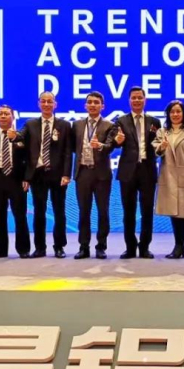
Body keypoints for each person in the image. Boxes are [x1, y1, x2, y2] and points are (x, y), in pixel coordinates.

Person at [12, 91, 73, 259]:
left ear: (55, 104)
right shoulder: (30, 124)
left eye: (49, 101)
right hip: (37, 174)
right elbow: (20, 138)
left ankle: (59, 247)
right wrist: (13, 136)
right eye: (43, 101)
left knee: (59, 212)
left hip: (58, 174)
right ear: (39, 104)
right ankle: (40, 247)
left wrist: (66, 174)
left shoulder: (64, 125)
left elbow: (68, 152)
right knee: (39, 212)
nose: (46, 104)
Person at [113, 87, 162, 259]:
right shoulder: (121, 121)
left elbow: (158, 145)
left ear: (145, 100)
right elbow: (115, 142)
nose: (137, 100)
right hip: (128, 172)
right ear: (129, 100)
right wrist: (117, 141)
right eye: (133, 98)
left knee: (147, 211)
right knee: (129, 212)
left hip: (148, 171)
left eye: (140, 97)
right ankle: (130, 247)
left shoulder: (154, 122)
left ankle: (144, 247)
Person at [0, 105, 30, 259]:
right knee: (0, 216)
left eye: (6, 114)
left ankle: (23, 249)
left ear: (13, 117)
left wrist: (27, 178)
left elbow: (28, 159)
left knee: (20, 215)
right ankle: (0, 249)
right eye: (0, 114)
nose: (3, 116)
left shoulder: (21, 136)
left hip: (16, 179)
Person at [153, 100, 184, 259]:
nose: (175, 114)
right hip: (167, 175)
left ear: (183, 114)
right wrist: (161, 147)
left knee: (182, 212)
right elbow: (155, 151)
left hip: (183, 176)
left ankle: (180, 244)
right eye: (172, 112)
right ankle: (178, 244)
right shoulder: (162, 132)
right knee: (173, 211)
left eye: (178, 111)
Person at [72, 91, 116, 260]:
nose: (92, 105)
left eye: (96, 102)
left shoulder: (109, 125)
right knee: (84, 212)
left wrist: (100, 146)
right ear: (85, 105)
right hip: (83, 172)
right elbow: (71, 149)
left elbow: (111, 146)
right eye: (89, 102)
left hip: (102, 175)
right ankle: (83, 247)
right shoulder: (77, 125)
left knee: (103, 211)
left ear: (102, 106)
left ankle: (101, 246)